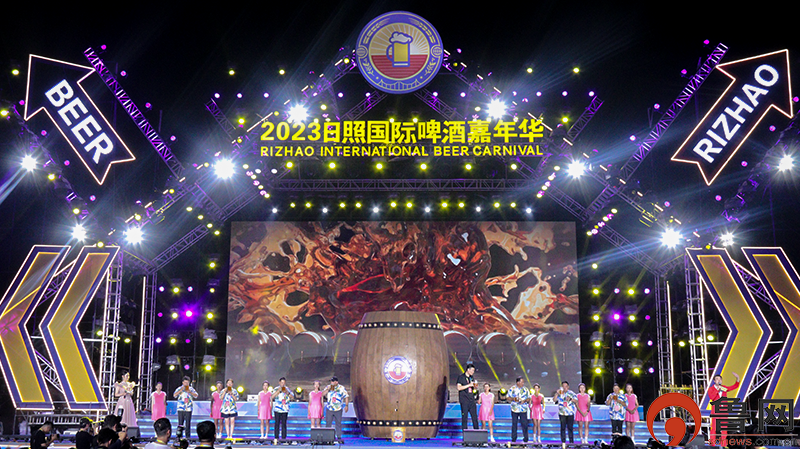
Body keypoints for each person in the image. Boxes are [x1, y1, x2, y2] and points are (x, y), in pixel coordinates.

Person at [707, 372, 740, 445]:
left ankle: (723, 444)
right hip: (716, 411)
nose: (718, 380)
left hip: (724, 411)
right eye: (717, 379)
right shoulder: (711, 389)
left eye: (720, 379)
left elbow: (734, 386)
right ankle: (712, 444)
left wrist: (737, 378)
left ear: (721, 381)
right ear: (714, 381)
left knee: (724, 428)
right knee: (714, 428)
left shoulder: (723, 388)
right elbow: (712, 397)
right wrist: (717, 390)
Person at [323, 376, 349, 441]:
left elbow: (346, 396)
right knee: (328, 422)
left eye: (333, 381)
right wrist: (327, 389)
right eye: (331, 381)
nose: (331, 382)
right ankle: (328, 436)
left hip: (338, 408)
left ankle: (339, 436)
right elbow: (322, 394)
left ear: (336, 382)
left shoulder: (341, 388)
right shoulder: (328, 387)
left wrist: (346, 405)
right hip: (329, 408)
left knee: (338, 423)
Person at [456, 363, 479, 430]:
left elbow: (472, 387)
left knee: (474, 417)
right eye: (472, 370)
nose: (473, 372)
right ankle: (465, 432)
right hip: (464, 400)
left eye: (473, 371)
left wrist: (475, 387)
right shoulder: (461, 377)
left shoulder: (471, 378)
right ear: (468, 370)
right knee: (464, 417)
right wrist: (469, 385)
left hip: (471, 400)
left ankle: (477, 432)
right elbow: (459, 388)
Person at [553, 380, 577, 444]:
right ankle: (563, 441)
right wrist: (557, 393)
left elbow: (576, 400)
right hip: (562, 413)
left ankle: (571, 442)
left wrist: (571, 399)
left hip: (570, 413)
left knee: (570, 428)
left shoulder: (571, 393)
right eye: (563, 386)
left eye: (566, 386)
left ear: (568, 387)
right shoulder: (559, 393)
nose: (564, 388)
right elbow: (554, 400)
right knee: (562, 428)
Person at [508, 376, 530, 443]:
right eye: (522, 382)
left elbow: (529, 398)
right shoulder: (512, 389)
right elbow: (508, 397)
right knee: (514, 424)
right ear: (518, 382)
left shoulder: (526, 389)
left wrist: (524, 400)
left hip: (523, 409)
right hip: (515, 409)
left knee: (524, 424)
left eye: (523, 382)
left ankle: (526, 438)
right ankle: (514, 438)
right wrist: (513, 399)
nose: (523, 383)